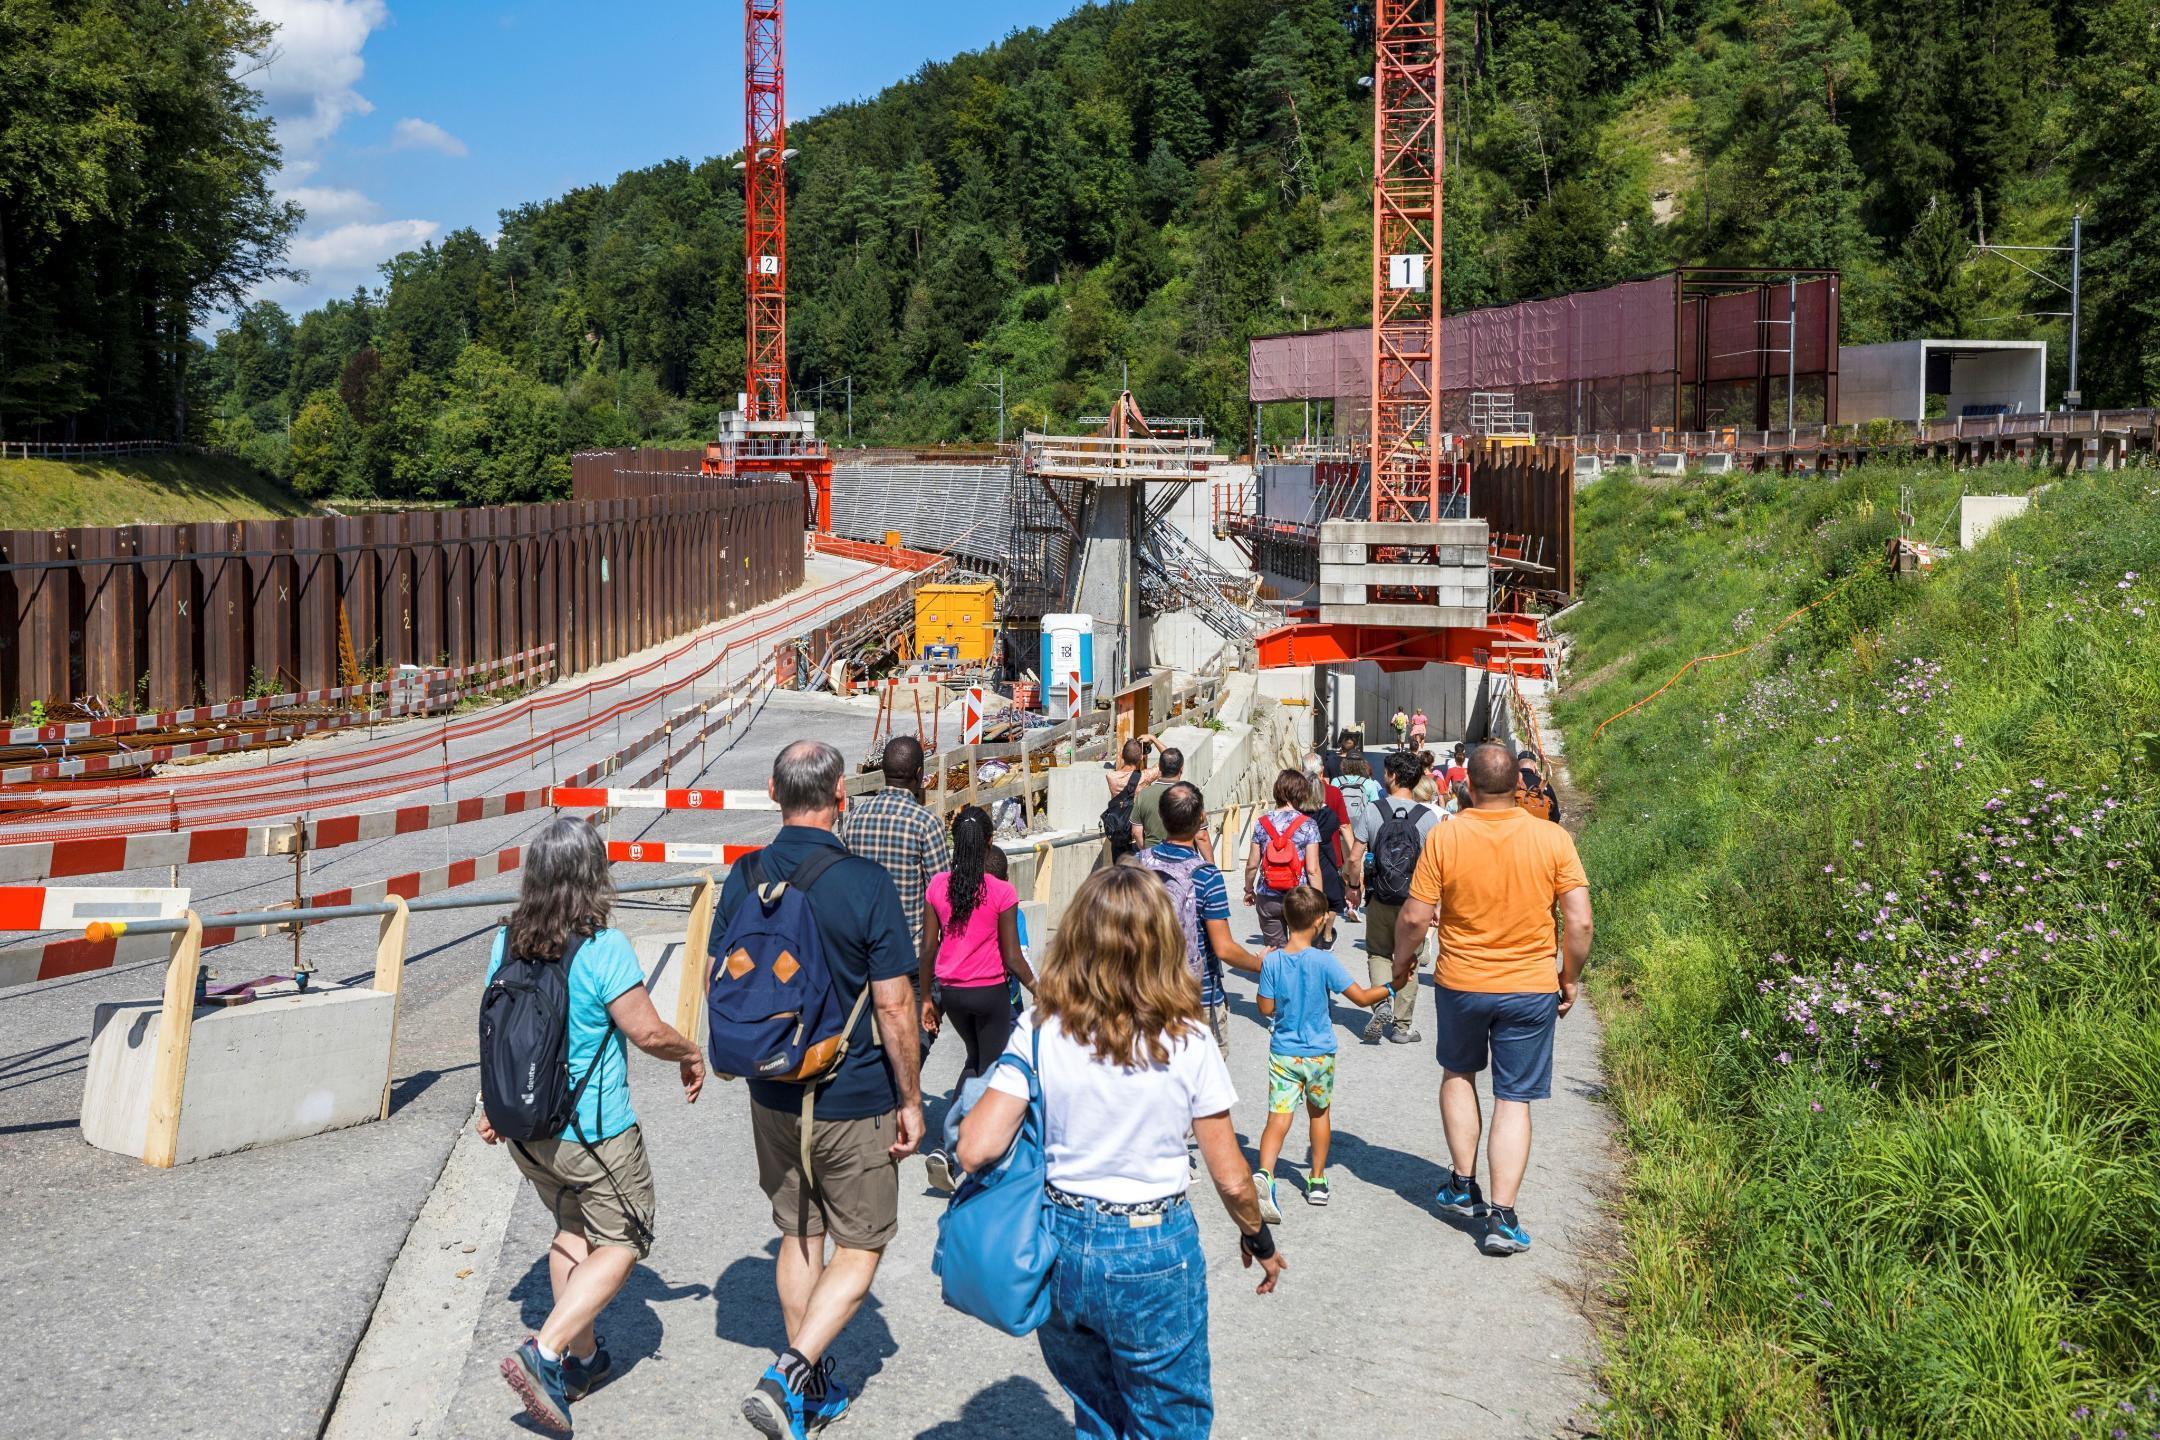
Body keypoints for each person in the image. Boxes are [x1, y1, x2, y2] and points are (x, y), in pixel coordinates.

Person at [956, 865, 1288, 1439]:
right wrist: (1257, 1237)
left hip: (1059, 1242)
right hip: (1151, 1246)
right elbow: (1232, 1179)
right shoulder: (1187, 1038)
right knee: (1169, 1418)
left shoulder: (1039, 1029)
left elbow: (975, 1147)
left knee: (1099, 1416)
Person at [717, 741, 924, 1439]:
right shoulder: (864, 884)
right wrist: (912, 1099)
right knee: (861, 1247)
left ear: (774, 790)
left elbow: (728, 973)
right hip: (852, 1094)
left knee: (799, 1236)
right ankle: (791, 1372)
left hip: (771, 1089)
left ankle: (807, 1394)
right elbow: (895, 1007)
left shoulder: (742, 876)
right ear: (842, 792)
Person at [484, 817, 707, 1434]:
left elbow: (497, 1036)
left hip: (527, 1134)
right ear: (595, 876)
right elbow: (647, 1030)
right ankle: (547, 1350)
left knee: (572, 1230)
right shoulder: (603, 948)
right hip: (595, 1134)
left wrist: (489, 1106)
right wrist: (690, 1052)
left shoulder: (503, 944)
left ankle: (581, 1363)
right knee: (626, 1237)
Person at [1393, 743, 1592, 1257]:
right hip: (1530, 986)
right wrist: (1568, 976)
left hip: (1462, 982)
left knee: (1458, 1075)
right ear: (1520, 787)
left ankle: (1463, 1184)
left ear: (1469, 788)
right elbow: (1580, 922)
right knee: (1514, 1097)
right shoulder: (1553, 839)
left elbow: (1415, 918)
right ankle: (1503, 1217)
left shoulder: (1447, 834)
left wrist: (1401, 963)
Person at [1252, 885, 1391, 1217]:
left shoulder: (1272, 962)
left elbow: (1265, 1008)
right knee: (1319, 1114)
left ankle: (1266, 1174)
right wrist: (1391, 985)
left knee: (1278, 1117)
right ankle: (1316, 1180)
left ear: (1286, 918)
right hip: (1319, 1055)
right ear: (1318, 922)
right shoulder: (1324, 962)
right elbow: (1359, 998)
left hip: (1284, 1053)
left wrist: (1262, 970)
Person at [919, 805, 1034, 1192]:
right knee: (993, 1068)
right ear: (988, 843)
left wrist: (927, 1001)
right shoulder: (1002, 892)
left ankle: (953, 1146)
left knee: (977, 1061)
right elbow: (1013, 957)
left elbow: (927, 950)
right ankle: (958, 1148)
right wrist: (1043, 990)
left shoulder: (938, 886)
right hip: (990, 993)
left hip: (951, 993)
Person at [1137, 781, 1258, 1059]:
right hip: (1197, 998)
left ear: (1162, 816)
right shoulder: (1207, 876)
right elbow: (1224, 949)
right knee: (1205, 1093)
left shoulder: (1137, 864)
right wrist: (1259, 964)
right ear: (1201, 819)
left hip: (1147, 993)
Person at [1351, 749, 1444, 1046]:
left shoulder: (1373, 810)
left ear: (1391, 776)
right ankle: (1402, 1027)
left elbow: (1355, 858)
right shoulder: (1428, 818)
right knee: (1410, 961)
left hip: (1379, 897)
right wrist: (1436, 905)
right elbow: (1437, 866)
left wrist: (1353, 887)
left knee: (1378, 953)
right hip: (1415, 901)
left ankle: (1381, 1005)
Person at [838, 735, 952, 953]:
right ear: (919, 774)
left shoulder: (854, 819)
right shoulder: (926, 824)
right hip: (909, 953)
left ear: (883, 771)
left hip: (863, 951)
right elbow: (943, 895)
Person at [1244, 769, 1323, 950]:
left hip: (1268, 894)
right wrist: (1320, 902)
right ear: (1302, 793)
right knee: (1302, 949)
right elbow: (1313, 869)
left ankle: (1278, 977)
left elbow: (1252, 865)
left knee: (1274, 950)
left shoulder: (1261, 823)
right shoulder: (1308, 824)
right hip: (1299, 896)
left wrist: (1248, 890)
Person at [1299, 752, 1354, 937]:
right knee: (1331, 896)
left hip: (1301, 855)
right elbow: (1345, 826)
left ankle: (1306, 932)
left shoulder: (1297, 794)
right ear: (1322, 771)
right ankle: (1327, 934)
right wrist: (1352, 859)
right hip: (1331, 854)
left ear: (1302, 771)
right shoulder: (1334, 793)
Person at [1131, 746, 1215, 861]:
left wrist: (1147, 853)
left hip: (1153, 860)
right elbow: (1201, 836)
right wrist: (1210, 867)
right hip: (1184, 858)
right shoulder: (1189, 794)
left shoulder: (1143, 794)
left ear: (1160, 768)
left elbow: (1136, 831)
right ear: (1181, 768)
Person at [1105, 734, 1159, 799]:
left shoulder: (1111, 776)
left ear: (1122, 755)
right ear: (1141, 757)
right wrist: (1153, 738)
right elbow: (1171, 760)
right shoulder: (1145, 777)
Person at [1516, 748, 1563, 823]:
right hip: (1541, 832)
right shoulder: (1544, 785)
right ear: (1535, 766)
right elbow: (1556, 816)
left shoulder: (1510, 784)